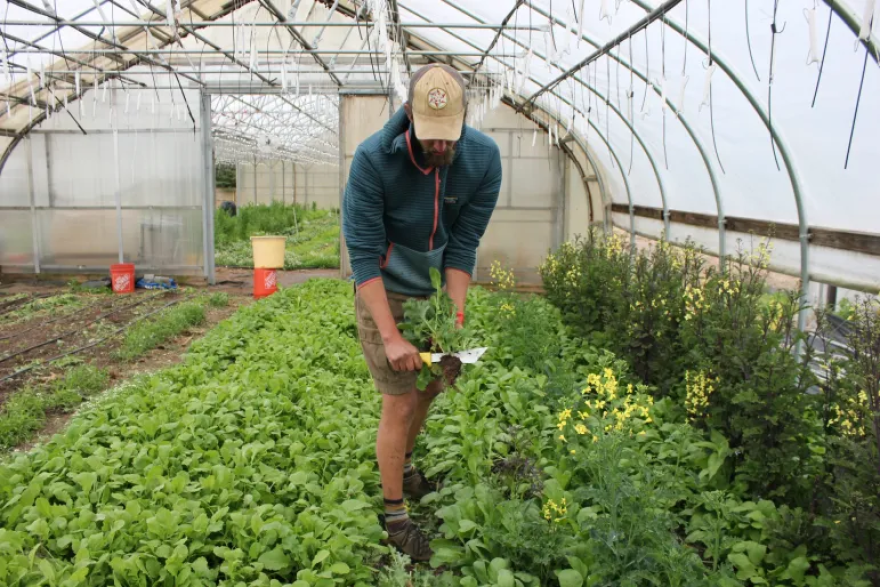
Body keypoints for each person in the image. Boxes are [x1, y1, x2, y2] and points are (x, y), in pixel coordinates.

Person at [342, 64, 502, 561]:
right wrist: (391, 336)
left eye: (447, 137)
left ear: (465, 118)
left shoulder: (483, 160)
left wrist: (452, 327)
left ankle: (407, 467)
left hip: (433, 295)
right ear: (408, 115)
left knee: (433, 383)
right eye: (429, 137)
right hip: (384, 292)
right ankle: (395, 520)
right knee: (401, 401)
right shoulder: (372, 160)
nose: (439, 147)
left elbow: (463, 246)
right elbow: (364, 257)